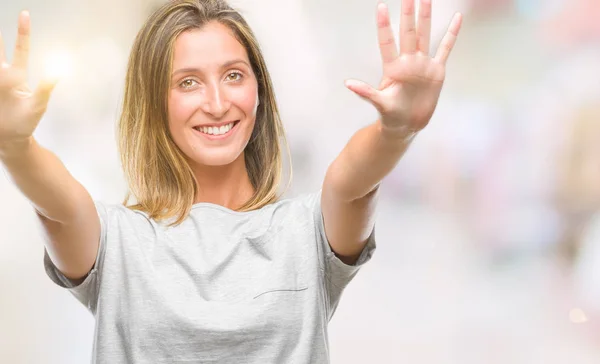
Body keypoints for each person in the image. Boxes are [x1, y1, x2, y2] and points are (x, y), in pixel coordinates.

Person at [0, 0, 462, 362]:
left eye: (234, 76)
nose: (218, 103)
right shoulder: (115, 242)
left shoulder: (308, 232)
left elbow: (352, 180)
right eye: (188, 83)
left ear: (258, 90)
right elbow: (57, 202)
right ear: (155, 103)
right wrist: (15, 146)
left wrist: (397, 128)